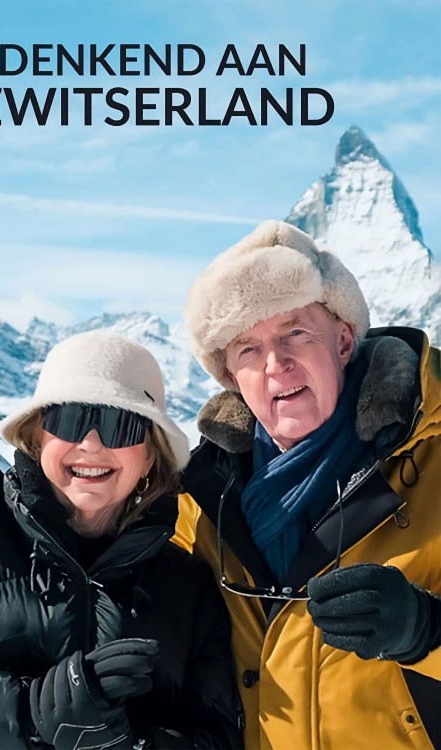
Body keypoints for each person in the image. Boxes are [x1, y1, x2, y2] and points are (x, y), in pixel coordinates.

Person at [173, 220, 440, 749]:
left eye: (295, 332)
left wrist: (425, 631)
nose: (276, 364)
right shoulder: (201, 499)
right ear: (231, 377)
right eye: (248, 349)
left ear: (342, 340)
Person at [0, 330, 243, 749]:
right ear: (36, 438)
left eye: (122, 425)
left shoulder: (189, 589)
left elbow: (219, 737)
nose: (91, 444)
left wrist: (129, 744)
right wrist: (28, 713)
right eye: (68, 420)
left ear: (150, 456)